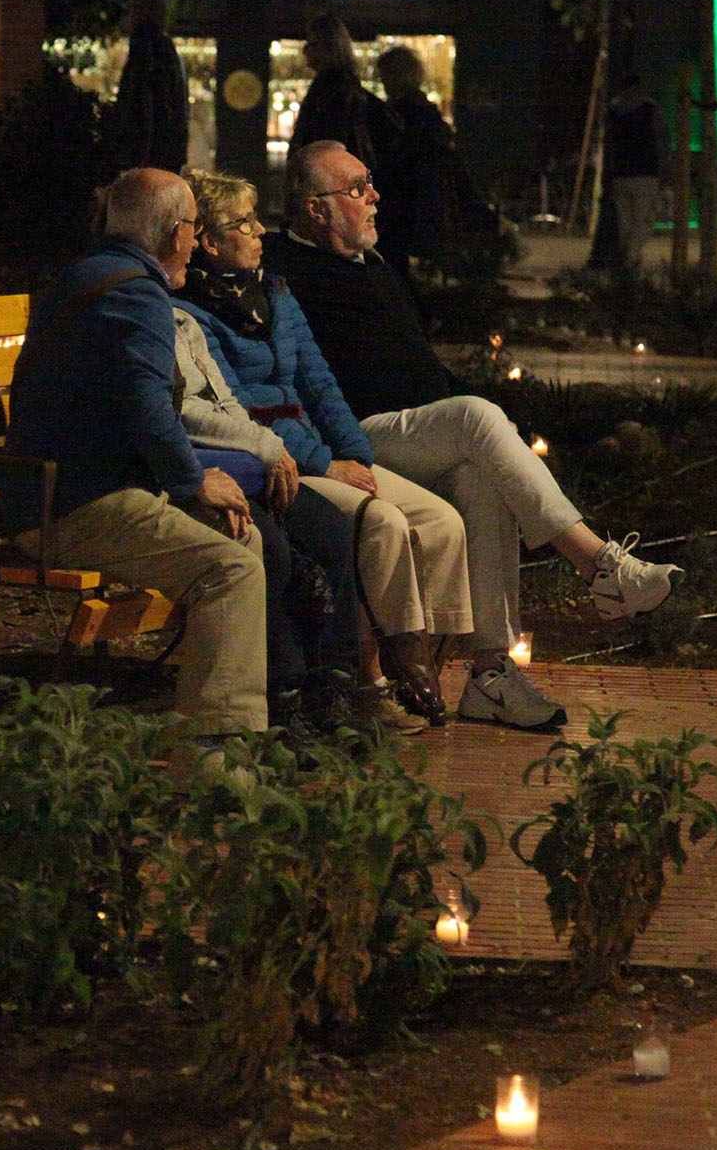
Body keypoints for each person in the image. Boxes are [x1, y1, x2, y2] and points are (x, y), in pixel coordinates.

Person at [263, 140, 685, 731]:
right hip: (352, 437)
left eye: (370, 182)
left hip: (413, 431)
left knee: (480, 475)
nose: (375, 197)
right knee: (473, 418)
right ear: (315, 209)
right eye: (358, 189)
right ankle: (600, 567)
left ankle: (490, 674)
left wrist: (495, 415)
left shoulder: (374, 265)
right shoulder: (286, 272)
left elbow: (419, 368)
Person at [173, 166, 467, 726]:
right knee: (379, 524)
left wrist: (357, 453)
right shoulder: (194, 313)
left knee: (442, 520)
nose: (261, 232)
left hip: (317, 449)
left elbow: (321, 383)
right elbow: (236, 413)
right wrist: (325, 462)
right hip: (280, 461)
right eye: (244, 223)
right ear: (208, 242)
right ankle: (379, 675)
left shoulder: (275, 294)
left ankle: (427, 654)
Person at [2, 168, 266, 744]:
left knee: (242, 535)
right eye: (195, 229)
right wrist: (194, 480)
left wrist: (193, 480)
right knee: (233, 568)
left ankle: (209, 716)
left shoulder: (91, 276)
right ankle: (213, 754)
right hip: (72, 507)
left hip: (72, 490)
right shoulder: (134, 295)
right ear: (176, 233)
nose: (197, 243)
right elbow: (150, 411)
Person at [172, 311, 387, 735]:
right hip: (201, 467)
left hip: (244, 460)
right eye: (187, 240)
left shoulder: (182, 322)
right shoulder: (146, 318)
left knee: (330, 528)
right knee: (267, 547)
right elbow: (181, 413)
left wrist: (262, 446)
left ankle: (334, 684)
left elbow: (227, 400)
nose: (189, 246)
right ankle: (284, 693)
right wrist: (264, 446)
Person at [374, 46, 452, 267]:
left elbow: (393, 160)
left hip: (401, 203)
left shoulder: (398, 114)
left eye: (386, 76)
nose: (383, 82)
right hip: (423, 201)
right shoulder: (427, 112)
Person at [290, 15, 392, 175]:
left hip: (330, 177)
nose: (305, 50)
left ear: (326, 48)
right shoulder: (345, 86)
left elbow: (327, 140)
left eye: (311, 44)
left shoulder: (330, 90)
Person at [110, 0, 190, 173]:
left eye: (134, 8)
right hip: (161, 154)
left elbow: (146, 102)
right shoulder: (161, 46)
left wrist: (139, 157)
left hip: (148, 155)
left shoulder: (146, 45)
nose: (129, 14)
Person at [604, 73, 662, 271]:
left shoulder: (613, 111)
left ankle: (627, 259)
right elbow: (660, 141)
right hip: (645, 172)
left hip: (621, 172)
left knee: (625, 222)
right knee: (642, 220)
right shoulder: (648, 109)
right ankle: (631, 258)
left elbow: (609, 142)